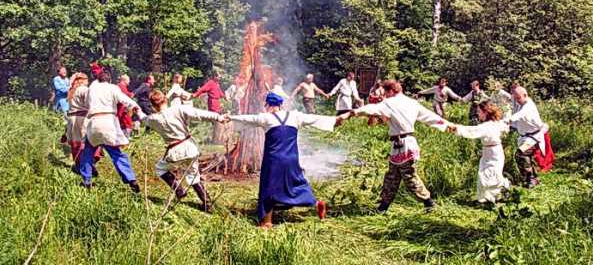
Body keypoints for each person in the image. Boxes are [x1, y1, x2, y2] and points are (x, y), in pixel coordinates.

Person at [228, 92, 337, 228]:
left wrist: (229, 117)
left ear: (268, 105)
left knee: (268, 188)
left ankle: (267, 222)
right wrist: (335, 120)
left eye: (266, 105)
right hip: (291, 158)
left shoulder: (266, 118)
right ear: (280, 105)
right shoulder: (295, 116)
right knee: (297, 183)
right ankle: (316, 203)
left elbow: (247, 119)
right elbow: (315, 119)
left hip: (273, 159)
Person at [344, 80, 450, 213]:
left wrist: (352, 113)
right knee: (392, 177)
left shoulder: (390, 102)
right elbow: (431, 117)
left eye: (385, 92)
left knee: (409, 176)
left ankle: (429, 203)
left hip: (404, 145)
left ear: (391, 91)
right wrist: (448, 125)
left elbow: (370, 108)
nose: (384, 96)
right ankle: (383, 207)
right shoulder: (412, 102)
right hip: (403, 144)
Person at [136, 90, 224, 211]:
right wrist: (218, 117)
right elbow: (199, 114)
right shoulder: (177, 109)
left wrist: (138, 111)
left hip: (176, 152)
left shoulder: (154, 119)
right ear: (165, 99)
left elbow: (143, 119)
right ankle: (207, 204)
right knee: (194, 176)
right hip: (190, 148)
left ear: (153, 105)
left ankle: (179, 190)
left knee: (160, 168)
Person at [79, 70, 140, 192]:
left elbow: (86, 104)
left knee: (87, 152)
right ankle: (131, 179)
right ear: (109, 80)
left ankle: (86, 181)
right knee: (116, 153)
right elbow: (124, 99)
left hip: (94, 122)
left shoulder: (92, 89)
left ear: (99, 80)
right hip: (108, 123)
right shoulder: (113, 88)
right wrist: (135, 106)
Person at [447, 101, 510, 204]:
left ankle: (504, 190)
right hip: (490, 151)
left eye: (479, 111)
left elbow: (471, 131)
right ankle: (487, 199)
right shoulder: (496, 123)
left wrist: (456, 128)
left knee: (491, 175)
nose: (478, 114)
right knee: (484, 176)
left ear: (485, 112)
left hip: (494, 153)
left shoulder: (487, 126)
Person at [509, 86, 554, 188]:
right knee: (525, 156)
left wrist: (509, 120)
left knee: (521, 154)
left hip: (535, 136)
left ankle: (531, 179)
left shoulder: (528, 105)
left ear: (525, 95)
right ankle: (532, 177)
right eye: (515, 98)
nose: (517, 100)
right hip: (527, 137)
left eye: (518, 98)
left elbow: (521, 114)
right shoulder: (521, 103)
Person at [66, 72, 101, 173]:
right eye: (86, 79)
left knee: (76, 143)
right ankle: (88, 165)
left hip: (72, 119)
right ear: (83, 80)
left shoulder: (72, 90)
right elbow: (90, 102)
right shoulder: (83, 89)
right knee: (87, 142)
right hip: (82, 119)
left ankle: (78, 165)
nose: (88, 80)